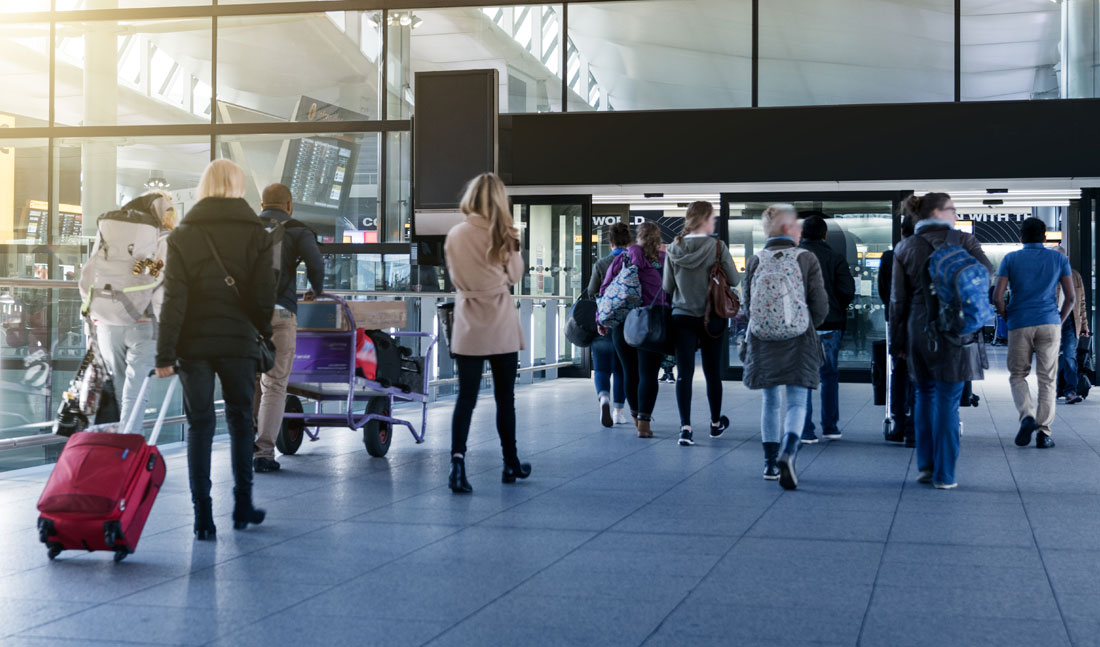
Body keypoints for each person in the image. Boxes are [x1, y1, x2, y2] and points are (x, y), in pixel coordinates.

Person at [156, 159, 275, 539]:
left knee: (200, 425)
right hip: (239, 341)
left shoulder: (183, 235)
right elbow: (264, 296)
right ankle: (242, 504)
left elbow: (174, 299)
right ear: (239, 186)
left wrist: (164, 353)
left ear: (204, 186)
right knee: (241, 420)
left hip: (193, 344)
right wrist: (262, 332)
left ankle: (203, 516)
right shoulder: (257, 234)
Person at [891, 192, 991, 489]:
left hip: (919, 328)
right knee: (948, 400)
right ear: (937, 212)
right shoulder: (964, 241)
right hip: (956, 329)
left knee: (923, 395)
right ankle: (945, 475)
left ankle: (925, 467)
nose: (955, 214)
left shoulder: (905, 247)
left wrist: (898, 341)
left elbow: (897, 300)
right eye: (952, 209)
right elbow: (987, 274)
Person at [443, 173, 530, 494]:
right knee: (505, 398)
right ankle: (510, 462)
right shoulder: (504, 233)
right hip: (500, 323)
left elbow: (454, 276)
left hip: (468, 323)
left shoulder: (455, 234)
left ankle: (457, 465)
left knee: (465, 398)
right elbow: (515, 276)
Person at [742, 205, 827, 489]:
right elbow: (819, 303)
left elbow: (747, 305)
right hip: (799, 339)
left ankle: (769, 463)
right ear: (788, 229)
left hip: (763, 339)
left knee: (770, 401)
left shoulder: (756, 259)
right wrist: (806, 322)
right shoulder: (806, 258)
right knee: (797, 401)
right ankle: (789, 452)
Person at [253, 183, 325, 473]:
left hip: (246, 316)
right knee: (274, 384)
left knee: (250, 380)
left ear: (261, 205)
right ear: (290, 205)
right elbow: (316, 264)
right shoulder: (297, 229)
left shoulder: (245, 228)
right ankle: (264, 453)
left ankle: (246, 445)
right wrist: (315, 289)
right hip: (281, 312)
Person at [992, 218, 1075, 449]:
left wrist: (1008, 317)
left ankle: (1027, 415)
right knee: (1047, 379)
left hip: (1019, 322)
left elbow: (998, 297)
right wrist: (1058, 320)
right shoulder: (1059, 259)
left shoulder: (1010, 259)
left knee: (1018, 375)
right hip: (1049, 322)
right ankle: (1044, 433)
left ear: (1021, 237)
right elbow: (1070, 298)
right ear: (1044, 237)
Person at [95, 191, 176, 426]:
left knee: (121, 391)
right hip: (143, 323)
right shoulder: (165, 239)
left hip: (107, 321)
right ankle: (130, 445)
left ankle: (122, 443)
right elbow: (164, 283)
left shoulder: (113, 233)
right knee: (135, 395)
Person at [663, 200, 739, 445]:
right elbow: (735, 279)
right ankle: (715, 424)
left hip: (682, 317)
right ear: (704, 220)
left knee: (684, 373)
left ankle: (685, 428)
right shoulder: (717, 247)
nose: (714, 222)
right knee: (712, 373)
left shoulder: (673, 248)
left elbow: (667, 287)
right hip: (712, 317)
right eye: (712, 218)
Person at [600, 221, 667, 440]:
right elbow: (672, 291)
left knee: (630, 371)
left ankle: (636, 418)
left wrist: (600, 319)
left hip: (623, 324)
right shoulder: (664, 261)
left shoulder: (623, 258)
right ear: (657, 239)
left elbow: (605, 289)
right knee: (649, 374)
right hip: (652, 323)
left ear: (638, 237)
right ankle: (644, 425)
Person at [798, 215, 855, 444]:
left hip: (802, 326)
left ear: (802, 234)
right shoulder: (835, 258)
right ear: (825, 235)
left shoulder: (795, 258)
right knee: (829, 376)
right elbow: (847, 290)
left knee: (804, 377)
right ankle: (830, 427)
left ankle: (806, 430)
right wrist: (836, 307)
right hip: (830, 324)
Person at [586, 223, 630, 427]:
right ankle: (618, 412)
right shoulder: (632, 262)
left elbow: (591, 291)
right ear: (628, 241)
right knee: (621, 369)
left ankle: (604, 398)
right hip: (626, 324)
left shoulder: (601, 264)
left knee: (602, 367)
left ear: (610, 242)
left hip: (604, 321)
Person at [879, 214, 915, 447]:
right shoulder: (932, 254)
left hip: (898, 323)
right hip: (924, 324)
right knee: (922, 376)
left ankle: (899, 424)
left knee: (899, 373)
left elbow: (884, 291)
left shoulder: (890, 257)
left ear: (902, 232)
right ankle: (916, 428)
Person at [1053, 245, 1089, 404]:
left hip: (1071, 320)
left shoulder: (1075, 276)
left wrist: (1084, 325)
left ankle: (1071, 392)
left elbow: (1082, 302)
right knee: (1051, 357)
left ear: (1066, 258)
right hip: (1051, 320)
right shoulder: (1047, 275)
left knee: (1069, 357)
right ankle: (1053, 390)